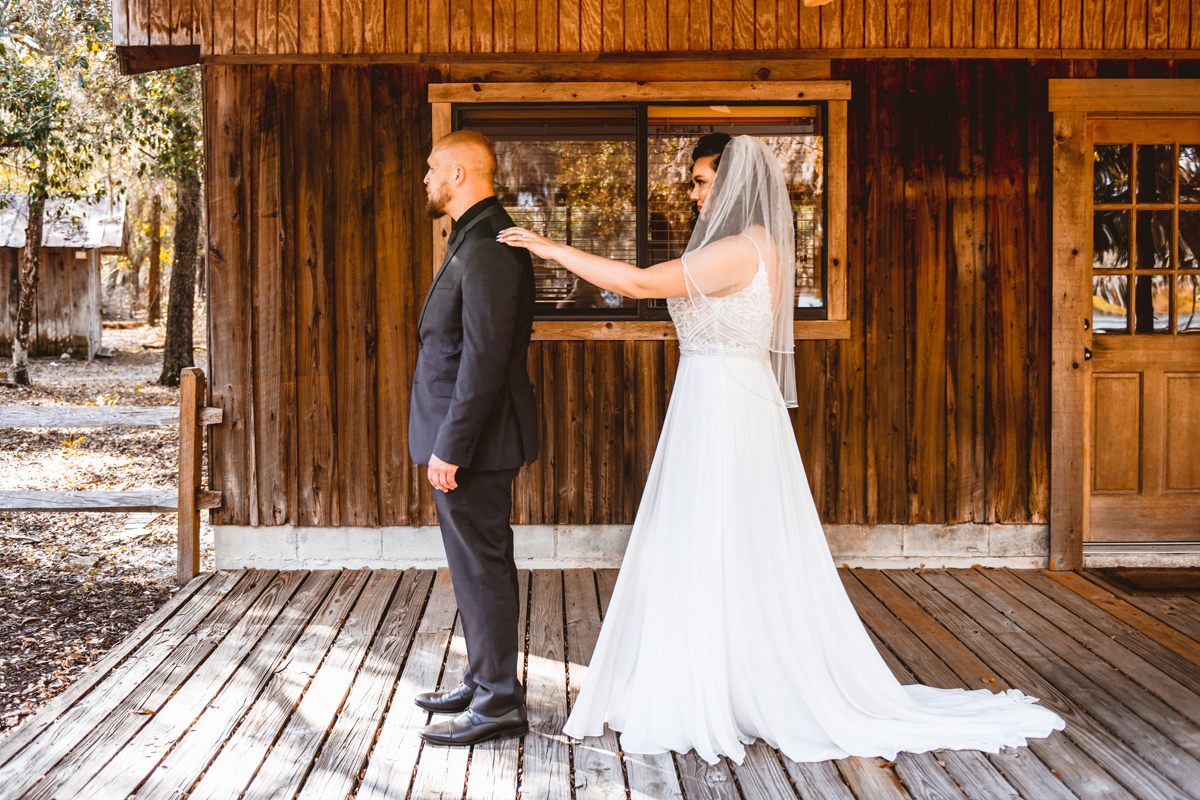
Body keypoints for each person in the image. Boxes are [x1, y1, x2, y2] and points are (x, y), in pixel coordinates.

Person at [497, 134, 1065, 765]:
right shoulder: (757, 247)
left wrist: (547, 245)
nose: (693, 193)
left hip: (720, 404)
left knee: (715, 537)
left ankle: (721, 686)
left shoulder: (738, 250)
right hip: (734, 398)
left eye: (702, 181)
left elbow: (634, 283)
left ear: (734, 183)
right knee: (732, 540)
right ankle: (733, 675)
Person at [410, 130, 539, 747]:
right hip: (466, 439)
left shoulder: (488, 246)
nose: (426, 178)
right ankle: (484, 678)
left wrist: (450, 446)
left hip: (474, 446)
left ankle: (497, 704)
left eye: (433, 168)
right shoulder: (473, 235)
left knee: (482, 566)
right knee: (473, 565)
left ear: (460, 174)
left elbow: (483, 359)